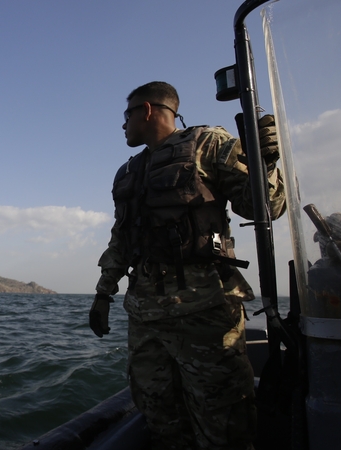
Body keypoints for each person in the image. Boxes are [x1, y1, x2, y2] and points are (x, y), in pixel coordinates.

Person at [89, 81, 286, 450]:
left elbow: (266, 207)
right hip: (144, 315)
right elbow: (122, 238)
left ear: (146, 110)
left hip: (204, 310)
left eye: (127, 115)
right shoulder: (129, 171)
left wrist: (268, 161)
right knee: (159, 413)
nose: (123, 125)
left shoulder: (208, 144)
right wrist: (104, 293)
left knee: (223, 420)